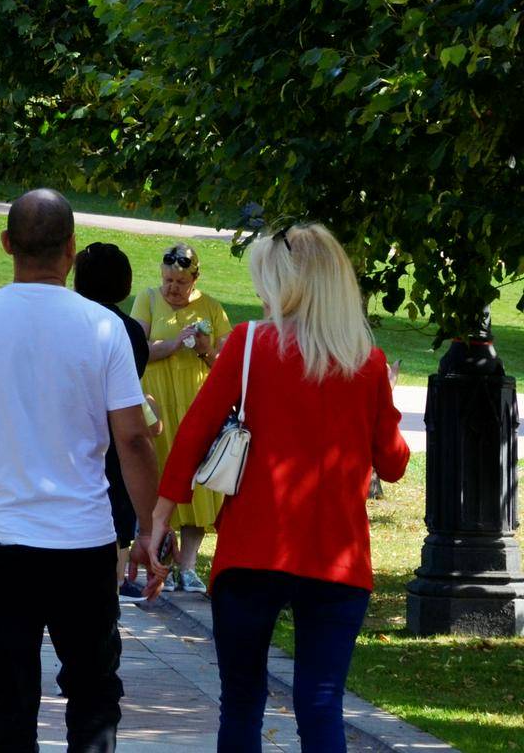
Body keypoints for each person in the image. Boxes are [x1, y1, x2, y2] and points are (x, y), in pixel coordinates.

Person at [0, 188, 163, 753]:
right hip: (84, 543)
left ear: (5, 245)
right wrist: (148, 529)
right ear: (70, 249)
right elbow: (134, 440)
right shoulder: (104, 328)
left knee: (7, 709)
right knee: (94, 698)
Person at [147, 223, 408, 753]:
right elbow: (395, 464)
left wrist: (160, 516)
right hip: (336, 556)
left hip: (251, 551)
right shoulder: (367, 362)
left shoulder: (248, 345)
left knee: (241, 703)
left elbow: (193, 435)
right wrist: (387, 403)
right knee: (321, 703)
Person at [131, 242, 233, 592]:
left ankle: (187, 567)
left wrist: (205, 350)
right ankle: (160, 557)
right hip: (158, 404)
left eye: (180, 282)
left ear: (194, 278)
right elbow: (137, 347)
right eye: (167, 281)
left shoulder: (212, 308)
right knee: (159, 476)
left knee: (198, 483)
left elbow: (227, 364)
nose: (172, 288)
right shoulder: (147, 298)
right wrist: (173, 344)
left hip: (195, 404)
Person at [73, 242, 160, 601]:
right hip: (111, 442)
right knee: (114, 528)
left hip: (68, 440)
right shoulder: (129, 332)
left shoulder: (67, 322)